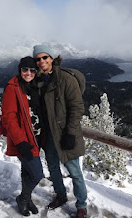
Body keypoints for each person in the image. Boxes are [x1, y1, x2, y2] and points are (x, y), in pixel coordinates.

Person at [33, 45, 88, 218]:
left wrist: (71, 133)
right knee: (53, 168)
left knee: (75, 172)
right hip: (49, 134)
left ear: (52, 58)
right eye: (38, 59)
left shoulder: (65, 78)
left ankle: (81, 206)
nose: (42, 61)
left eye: (45, 57)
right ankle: (61, 195)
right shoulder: (40, 81)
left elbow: (77, 107)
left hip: (65, 134)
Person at [1, 56, 44, 216]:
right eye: (25, 69)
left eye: (32, 70)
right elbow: (9, 118)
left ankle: (28, 199)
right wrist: (20, 142)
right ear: (20, 70)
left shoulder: (32, 87)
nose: (28, 73)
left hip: (36, 137)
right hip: (24, 141)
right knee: (37, 174)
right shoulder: (13, 88)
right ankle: (23, 198)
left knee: (27, 171)